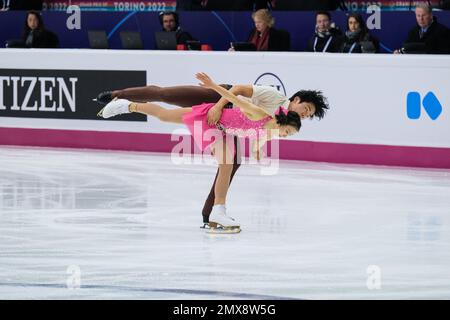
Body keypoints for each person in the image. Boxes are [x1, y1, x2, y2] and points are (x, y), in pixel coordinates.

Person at [94, 82, 329, 224]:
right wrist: (217, 106)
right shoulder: (274, 97)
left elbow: (265, 133)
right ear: (296, 99)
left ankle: (214, 213)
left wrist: (259, 149)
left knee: (231, 162)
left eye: (309, 115)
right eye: (306, 108)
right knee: (165, 96)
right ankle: (120, 95)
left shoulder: (285, 123)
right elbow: (237, 91)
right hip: (218, 101)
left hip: (230, 123)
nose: (306, 114)